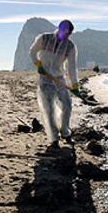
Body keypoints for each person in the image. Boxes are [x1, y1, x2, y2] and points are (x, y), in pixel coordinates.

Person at [29, 20, 80, 149]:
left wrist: (74, 85)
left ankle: (65, 131)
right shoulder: (44, 38)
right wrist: (38, 64)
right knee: (49, 109)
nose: (65, 35)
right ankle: (54, 138)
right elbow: (32, 51)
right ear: (59, 28)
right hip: (45, 78)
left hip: (59, 78)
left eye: (68, 34)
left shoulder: (70, 46)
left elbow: (71, 67)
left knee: (67, 104)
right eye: (64, 32)